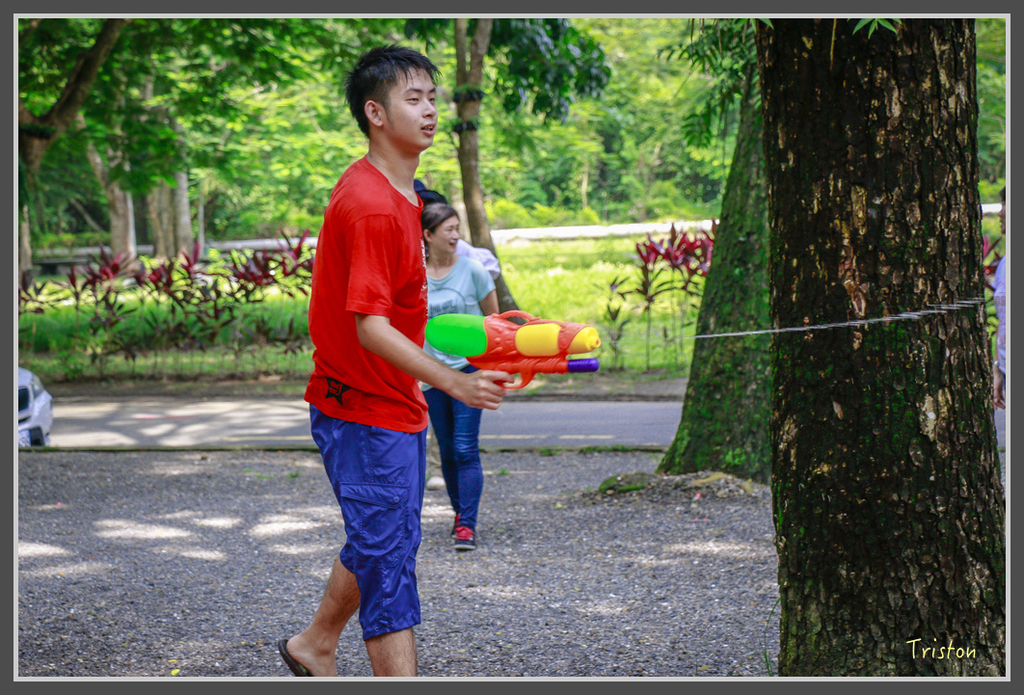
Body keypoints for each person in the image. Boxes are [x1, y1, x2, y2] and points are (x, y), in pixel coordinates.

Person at [277, 44, 511, 678]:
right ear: (376, 113)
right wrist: (456, 385)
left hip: (388, 403)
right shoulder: (376, 206)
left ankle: (315, 644)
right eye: (415, 99)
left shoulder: (397, 194)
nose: (431, 110)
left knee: (388, 539)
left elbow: (403, 312)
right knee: (390, 565)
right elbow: (372, 327)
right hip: (364, 409)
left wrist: (489, 338)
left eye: (433, 97)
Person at [421, 202, 499, 551]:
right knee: (449, 450)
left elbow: (494, 324)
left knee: (466, 448)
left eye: (457, 229)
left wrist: (490, 369)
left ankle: (467, 524)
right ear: (428, 235)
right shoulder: (415, 275)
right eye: (448, 230)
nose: (456, 236)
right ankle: (459, 514)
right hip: (430, 374)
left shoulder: (473, 270)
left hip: (470, 371)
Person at [993, 186, 1007, 409]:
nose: (1000, 213)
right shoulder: (1004, 264)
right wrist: (997, 369)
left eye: (1006, 204)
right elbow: (1002, 320)